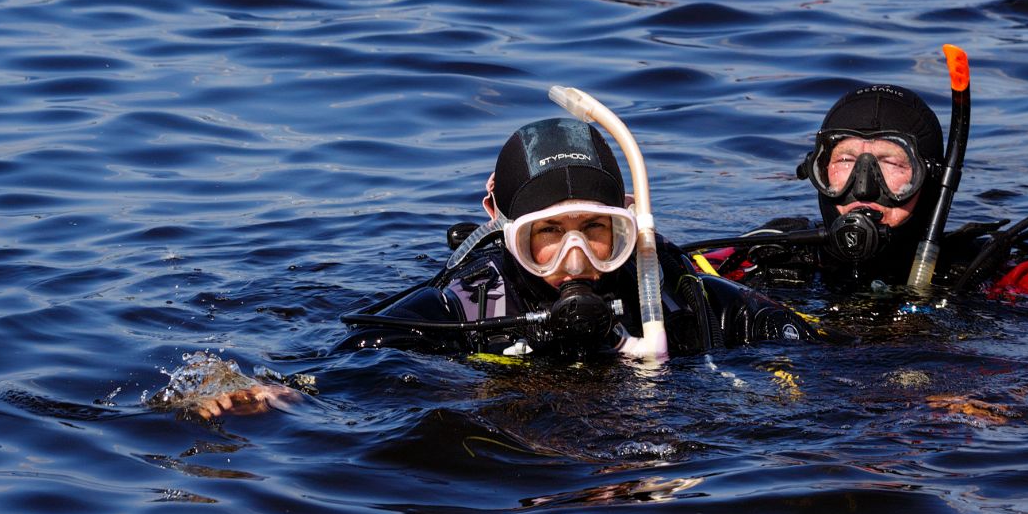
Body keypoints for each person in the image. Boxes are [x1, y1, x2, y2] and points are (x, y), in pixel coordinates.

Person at [700, 29, 1028, 302]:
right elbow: (666, 275)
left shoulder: (980, 275)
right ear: (817, 172)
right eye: (844, 161)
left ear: (935, 180)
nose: (864, 187)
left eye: (890, 163)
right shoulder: (767, 257)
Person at [334, 116, 813, 359]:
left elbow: (815, 347)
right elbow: (356, 358)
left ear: (627, 220)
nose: (575, 258)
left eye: (595, 230)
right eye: (545, 232)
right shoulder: (469, 305)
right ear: (502, 226)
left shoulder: (675, 296)